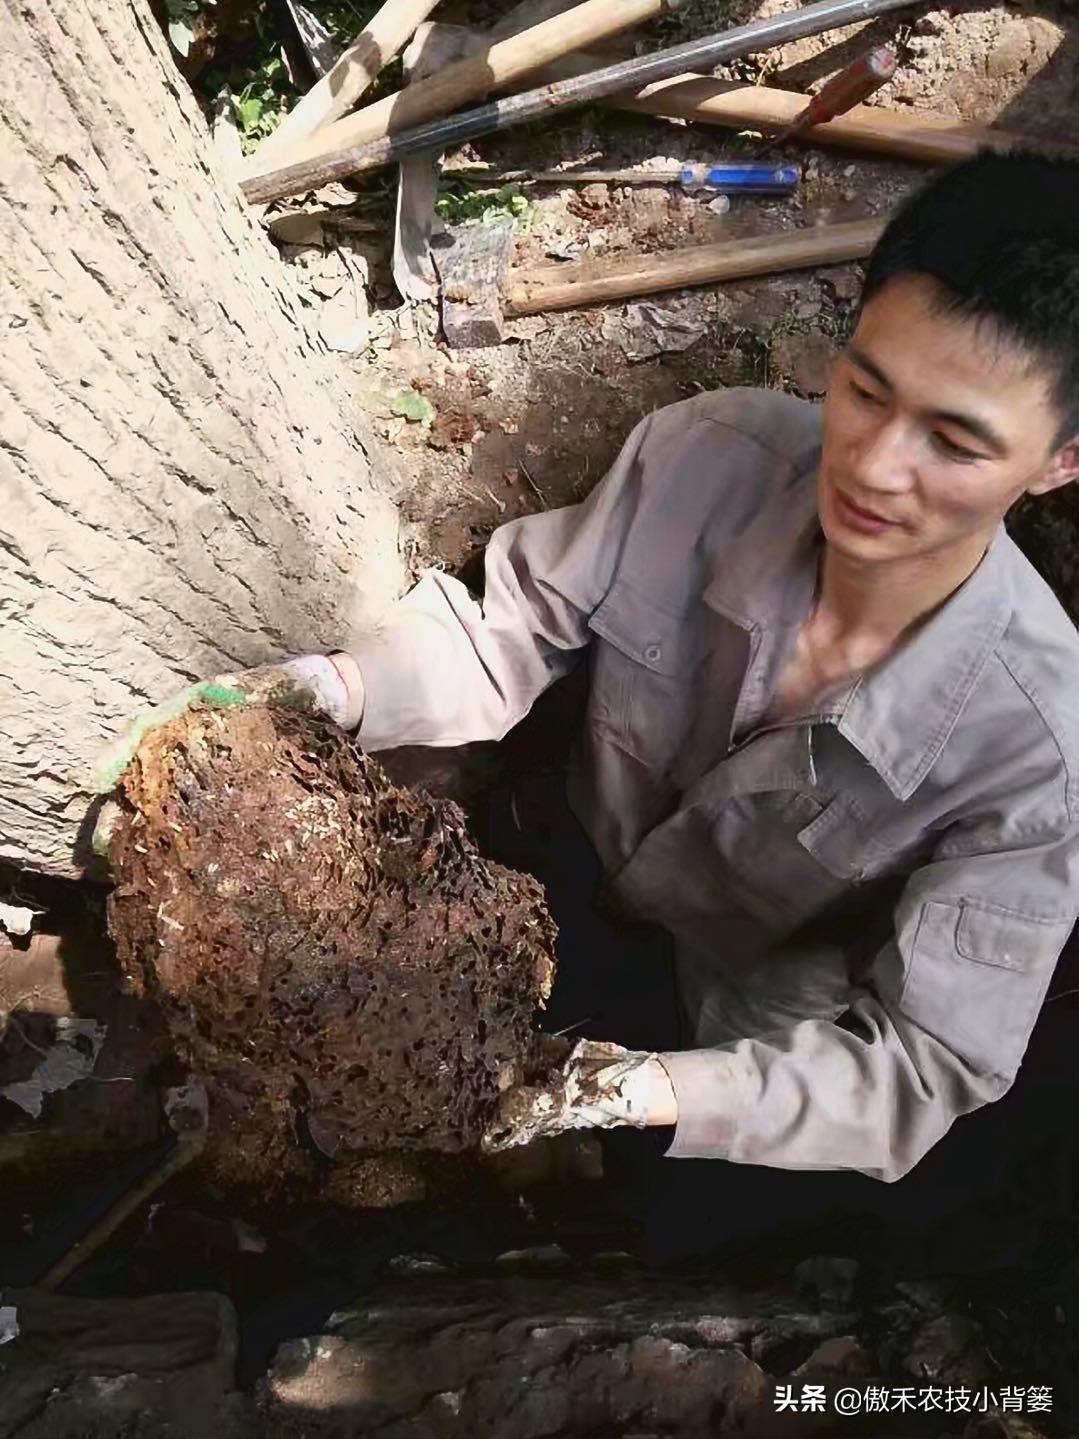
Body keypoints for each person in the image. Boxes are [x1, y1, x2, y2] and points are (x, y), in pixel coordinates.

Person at [104, 152, 1079, 1256]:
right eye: (864, 390)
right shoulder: (708, 457)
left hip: (737, 1021)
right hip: (564, 867)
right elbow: (509, 627)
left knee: (671, 1216)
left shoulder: (1040, 756)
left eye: (952, 442)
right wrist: (336, 687)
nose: (873, 465)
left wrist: (629, 1093)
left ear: (1059, 461)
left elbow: (917, 1067)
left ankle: (587, 1216)